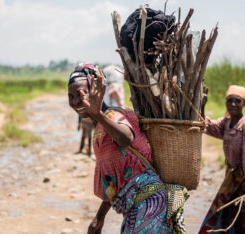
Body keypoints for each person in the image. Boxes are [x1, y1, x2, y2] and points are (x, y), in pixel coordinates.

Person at [68, 63, 186, 234]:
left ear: (95, 89)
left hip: (150, 204)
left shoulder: (114, 115)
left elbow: (126, 139)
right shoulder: (99, 130)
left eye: (81, 94)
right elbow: (114, 179)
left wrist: (97, 114)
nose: (75, 101)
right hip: (136, 208)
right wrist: (99, 218)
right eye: (71, 96)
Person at [199, 85, 245, 234]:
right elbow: (207, 126)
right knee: (220, 213)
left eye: (237, 101)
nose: (233, 104)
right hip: (233, 179)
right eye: (230, 100)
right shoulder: (226, 123)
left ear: (244, 103)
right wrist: (202, 105)